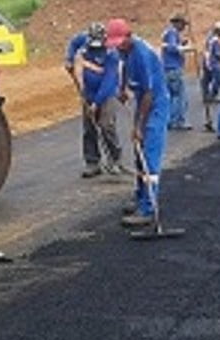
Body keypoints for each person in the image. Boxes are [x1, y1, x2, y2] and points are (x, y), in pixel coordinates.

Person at [107, 18, 171, 227]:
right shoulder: (125, 50)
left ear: (129, 35)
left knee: (149, 157)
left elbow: (149, 95)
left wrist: (139, 127)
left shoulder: (143, 54)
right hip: (143, 101)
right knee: (138, 154)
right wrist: (123, 87)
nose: (118, 47)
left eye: (120, 42)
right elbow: (124, 65)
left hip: (155, 105)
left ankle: (148, 209)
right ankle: (141, 197)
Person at [73, 22, 124, 177]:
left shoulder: (111, 54)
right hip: (89, 94)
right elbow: (78, 70)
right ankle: (92, 162)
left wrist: (96, 103)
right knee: (89, 128)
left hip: (107, 94)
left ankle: (115, 159)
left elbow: (108, 81)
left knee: (106, 125)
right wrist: (83, 91)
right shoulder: (83, 52)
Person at [160, 13, 194, 130]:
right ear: (178, 23)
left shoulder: (167, 32)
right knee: (179, 96)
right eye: (183, 24)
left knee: (171, 96)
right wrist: (187, 48)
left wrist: (181, 43)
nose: (184, 27)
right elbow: (172, 48)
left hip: (167, 68)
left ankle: (169, 119)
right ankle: (178, 121)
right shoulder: (172, 32)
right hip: (173, 68)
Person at [200, 21, 220, 130]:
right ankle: (212, 95)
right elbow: (218, 54)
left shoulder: (209, 38)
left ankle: (206, 95)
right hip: (213, 63)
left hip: (206, 61)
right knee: (218, 79)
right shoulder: (215, 41)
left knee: (206, 80)